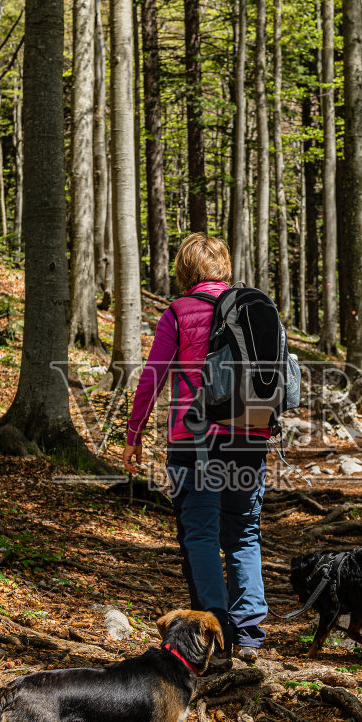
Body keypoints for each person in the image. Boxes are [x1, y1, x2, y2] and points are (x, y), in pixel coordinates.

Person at [122, 234, 270, 661]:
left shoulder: (178, 312)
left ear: (185, 270)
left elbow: (153, 376)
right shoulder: (254, 307)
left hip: (196, 441)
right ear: (223, 266)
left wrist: (134, 433)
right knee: (243, 533)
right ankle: (249, 635)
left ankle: (215, 633)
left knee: (201, 534)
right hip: (250, 436)